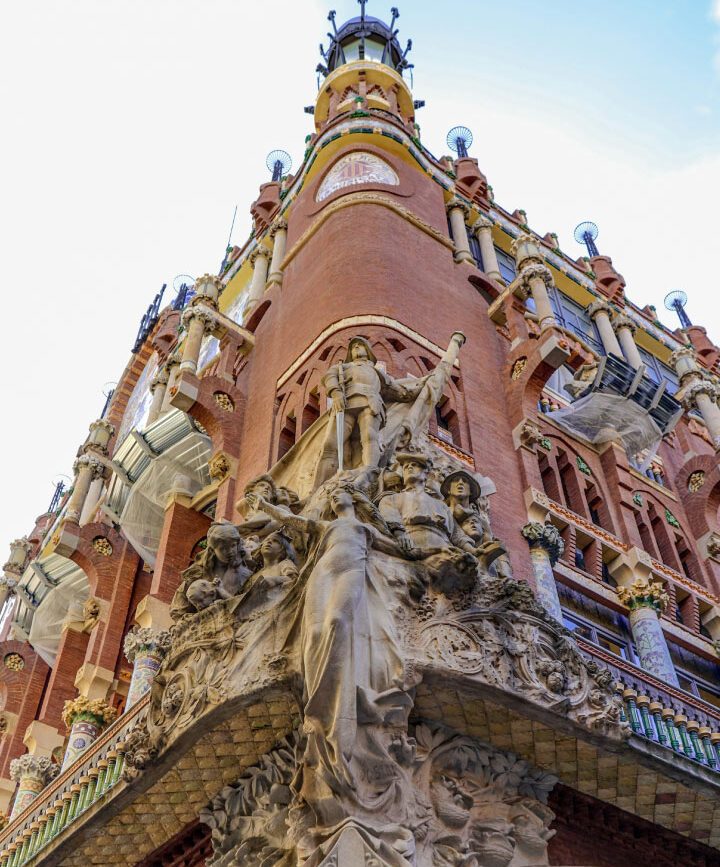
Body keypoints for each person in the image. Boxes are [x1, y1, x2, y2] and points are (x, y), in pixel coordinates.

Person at [246, 481, 412, 801]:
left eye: (341, 494)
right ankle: (316, 714)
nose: (336, 497)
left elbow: (400, 549)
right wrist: (265, 507)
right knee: (316, 635)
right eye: (332, 496)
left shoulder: (365, 528)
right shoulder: (326, 526)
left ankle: (337, 713)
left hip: (350, 570)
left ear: (354, 499)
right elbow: (293, 521)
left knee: (338, 622)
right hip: (323, 572)